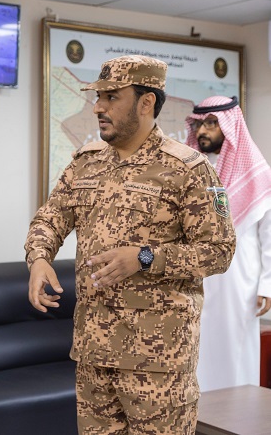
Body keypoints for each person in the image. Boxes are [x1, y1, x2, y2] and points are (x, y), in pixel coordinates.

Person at [24, 55, 236, 434]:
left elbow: (219, 251)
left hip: (158, 362)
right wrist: (39, 259)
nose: (98, 107)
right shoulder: (85, 163)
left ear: (146, 102)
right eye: (98, 96)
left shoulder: (188, 169)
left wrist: (145, 257)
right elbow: (50, 218)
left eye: (111, 97)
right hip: (94, 351)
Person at [185, 96, 271, 391]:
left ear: (230, 126)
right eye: (199, 124)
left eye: (212, 123)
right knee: (198, 347)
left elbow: (269, 237)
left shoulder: (257, 173)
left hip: (239, 280)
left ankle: (240, 412)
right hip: (195, 274)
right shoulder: (190, 169)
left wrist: (267, 285)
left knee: (235, 348)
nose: (202, 131)